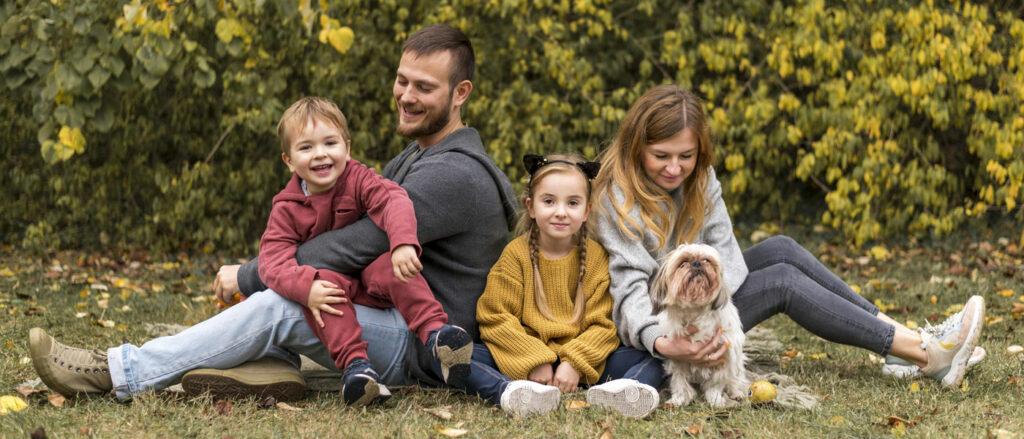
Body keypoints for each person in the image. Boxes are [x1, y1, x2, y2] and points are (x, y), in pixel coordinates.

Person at [28, 24, 518, 401]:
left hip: (423, 344)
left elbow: (352, 244)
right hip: (384, 312)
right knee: (291, 294)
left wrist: (251, 274)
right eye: (401, 80)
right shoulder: (416, 156)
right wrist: (273, 270)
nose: (406, 96)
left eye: (424, 88)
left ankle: (117, 371)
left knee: (278, 304)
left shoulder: (454, 174)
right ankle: (269, 364)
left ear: (461, 94)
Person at [591, 84, 986, 390]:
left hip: (703, 301)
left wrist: (709, 297)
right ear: (635, 146)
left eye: (686, 155)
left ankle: (904, 342)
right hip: (661, 319)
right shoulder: (615, 197)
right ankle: (924, 354)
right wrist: (664, 342)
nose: (676, 168)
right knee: (781, 281)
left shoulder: (701, 179)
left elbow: (727, 255)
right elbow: (627, 290)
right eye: (662, 156)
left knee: (781, 248)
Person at [256, 96, 473, 406]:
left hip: (373, 277)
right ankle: (357, 369)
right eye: (306, 148)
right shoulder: (286, 208)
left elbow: (393, 200)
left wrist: (402, 243)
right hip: (333, 285)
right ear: (289, 160)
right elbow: (272, 261)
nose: (320, 155)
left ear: (347, 147)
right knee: (325, 293)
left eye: (330, 143)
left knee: (393, 266)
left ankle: (437, 335)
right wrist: (306, 287)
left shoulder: (357, 178)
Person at [466, 153, 661, 418]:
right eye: (549, 201)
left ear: (586, 211)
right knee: (459, 356)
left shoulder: (595, 257)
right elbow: (495, 317)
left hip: (585, 360)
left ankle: (624, 390)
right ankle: (512, 391)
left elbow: (603, 324)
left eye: (572, 203)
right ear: (531, 206)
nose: (560, 212)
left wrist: (574, 364)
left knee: (655, 354)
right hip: (525, 360)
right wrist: (535, 360)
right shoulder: (516, 254)